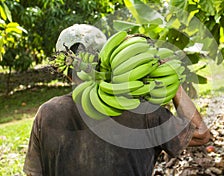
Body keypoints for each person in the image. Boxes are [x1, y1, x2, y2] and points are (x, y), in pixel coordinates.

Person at [23, 24, 210, 176]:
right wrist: (174, 84)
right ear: (108, 56)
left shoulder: (47, 113)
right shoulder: (142, 110)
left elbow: (33, 173)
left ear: (65, 72)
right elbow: (201, 135)